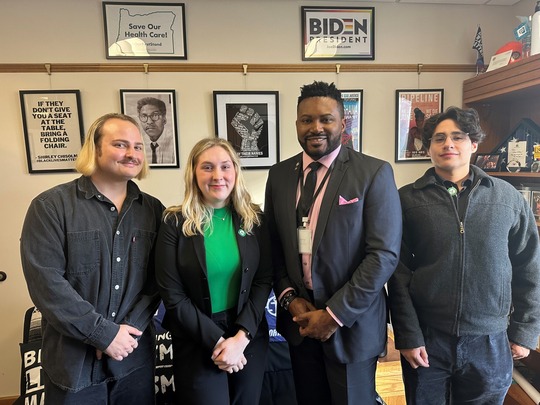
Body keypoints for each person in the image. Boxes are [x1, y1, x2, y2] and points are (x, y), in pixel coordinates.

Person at [388, 106, 540, 404]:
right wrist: (408, 335)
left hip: (491, 341)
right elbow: (398, 272)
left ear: (473, 144)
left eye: (458, 137)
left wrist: (525, 330)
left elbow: (529, 266)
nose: (448, 144)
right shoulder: (406, 200)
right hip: (428, 341)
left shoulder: (507, 198)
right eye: (439, 138)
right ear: (428, 147)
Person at [264, 81, 402, 405]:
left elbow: (383, 255)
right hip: (300, 323)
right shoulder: (280, 175)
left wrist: (333, 314)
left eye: (326, 119)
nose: (316, 127)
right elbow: (273, 247)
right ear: (296, 123)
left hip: (351, 327)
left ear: (343, 123)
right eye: (306, 119)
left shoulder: (373, 173)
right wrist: (290, 300)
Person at [20, 113, 164, 404]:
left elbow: (157, 280)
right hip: (73, 366)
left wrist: (125, 335)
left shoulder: (154, 211)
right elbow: (46, 284)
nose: (132, 154)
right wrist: (103, 334)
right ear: (95, 149)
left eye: (138, 147)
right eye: (121, 144)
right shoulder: (50, 207)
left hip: (133, 360)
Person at [155, 137, 273, 405]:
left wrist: (241, 338)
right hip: (197, 337)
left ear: (235, 171)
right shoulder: (174, 222)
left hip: (248, 334)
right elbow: (172, 294)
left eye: (225, 166)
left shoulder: (254, 219)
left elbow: (264, 280)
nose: (217, 175)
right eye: (207, 167)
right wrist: (220, 343)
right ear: (194, 174)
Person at [137, 96, 176, 164]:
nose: (149, 122)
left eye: (155, 115)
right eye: (144, 116)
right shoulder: (139, 143)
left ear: (164, 119)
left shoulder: (174, 143)